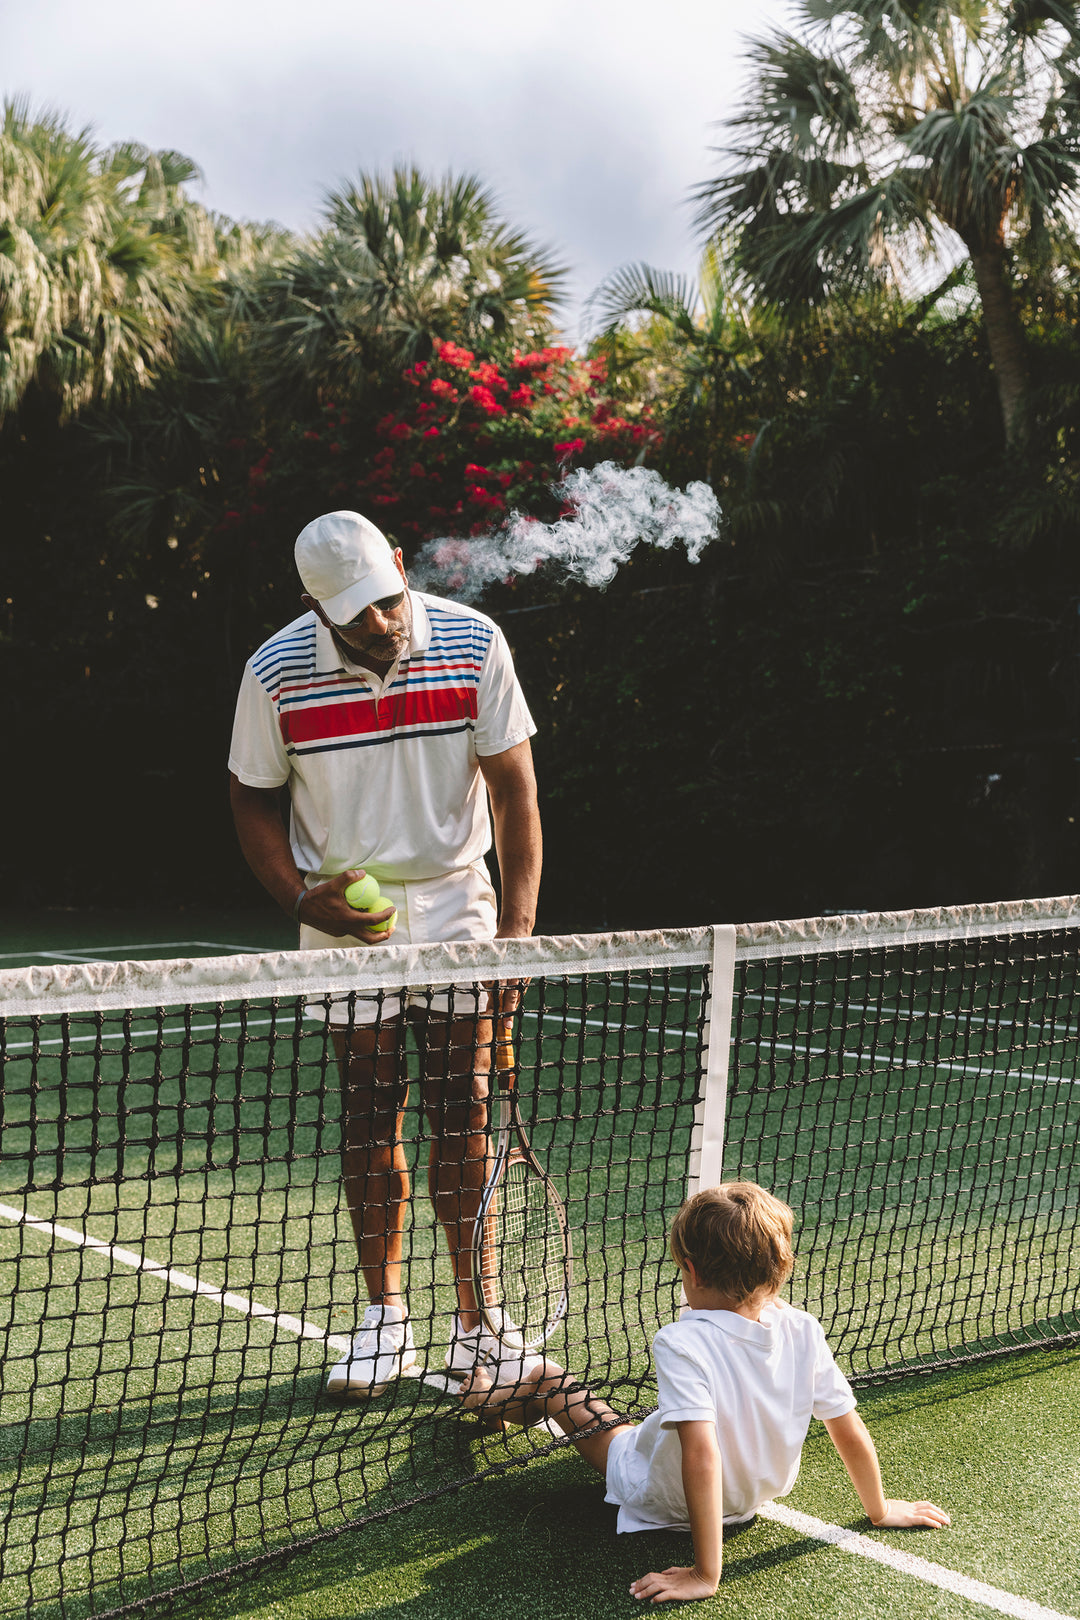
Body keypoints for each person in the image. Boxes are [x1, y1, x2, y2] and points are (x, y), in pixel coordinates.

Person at [228, 510, 542, 1397]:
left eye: (388, 600)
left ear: (402, 567)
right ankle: (383, 1322)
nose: (380, 623)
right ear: (315, 607)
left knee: (466, 1106)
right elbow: (251, 800)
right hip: (341, 913)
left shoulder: (476, 642)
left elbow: (517, 793)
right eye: (357, 612)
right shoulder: (274, 671)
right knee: (369, 1108)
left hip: (456, 904)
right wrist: (298, 895)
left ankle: (479, 1322)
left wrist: (514, 941)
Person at [461, 1181, 950, 1605]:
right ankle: (499, 1398)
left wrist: (705, 1574)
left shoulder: (681, 1339)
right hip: (753, 1494)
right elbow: (847, 1425)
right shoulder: (803, 1328)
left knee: (552, 1382)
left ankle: (483, 1398)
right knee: (630, 1419)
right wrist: (880, 1509)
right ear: (779, 1270)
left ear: (692, 1272)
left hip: (659, 1496)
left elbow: (700, 1454)